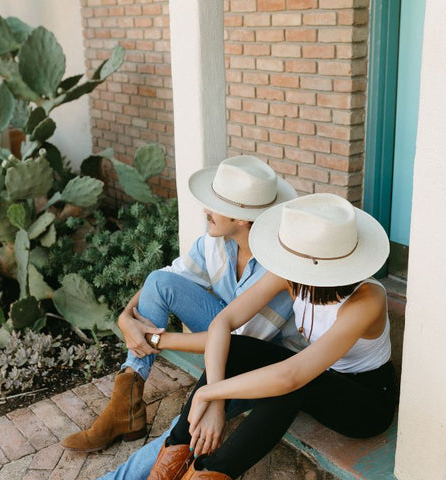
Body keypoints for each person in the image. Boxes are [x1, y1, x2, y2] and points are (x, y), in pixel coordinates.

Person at [146, 193, 398, 480]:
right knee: (237, 347)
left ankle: (209, 473)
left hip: (365, 400)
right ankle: (169, 462)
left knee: (290, 388)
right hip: (316, 373)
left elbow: (292, 376)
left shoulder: (367, 299)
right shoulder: (292, 275)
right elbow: (223, 322)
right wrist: (215, 401)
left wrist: (209, 392)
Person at [61, 155, 299, 455]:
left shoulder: (277, 269)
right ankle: (125, 405)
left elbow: (240, 343)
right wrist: (125, 318)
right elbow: (165, 279)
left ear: (240, 218)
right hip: (227, 334)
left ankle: (159, 453)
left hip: (262, 358)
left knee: (189, 420)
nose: (205, 210)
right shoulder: (216, 241)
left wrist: (154, 339)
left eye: (215, 206)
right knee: (159, 281)